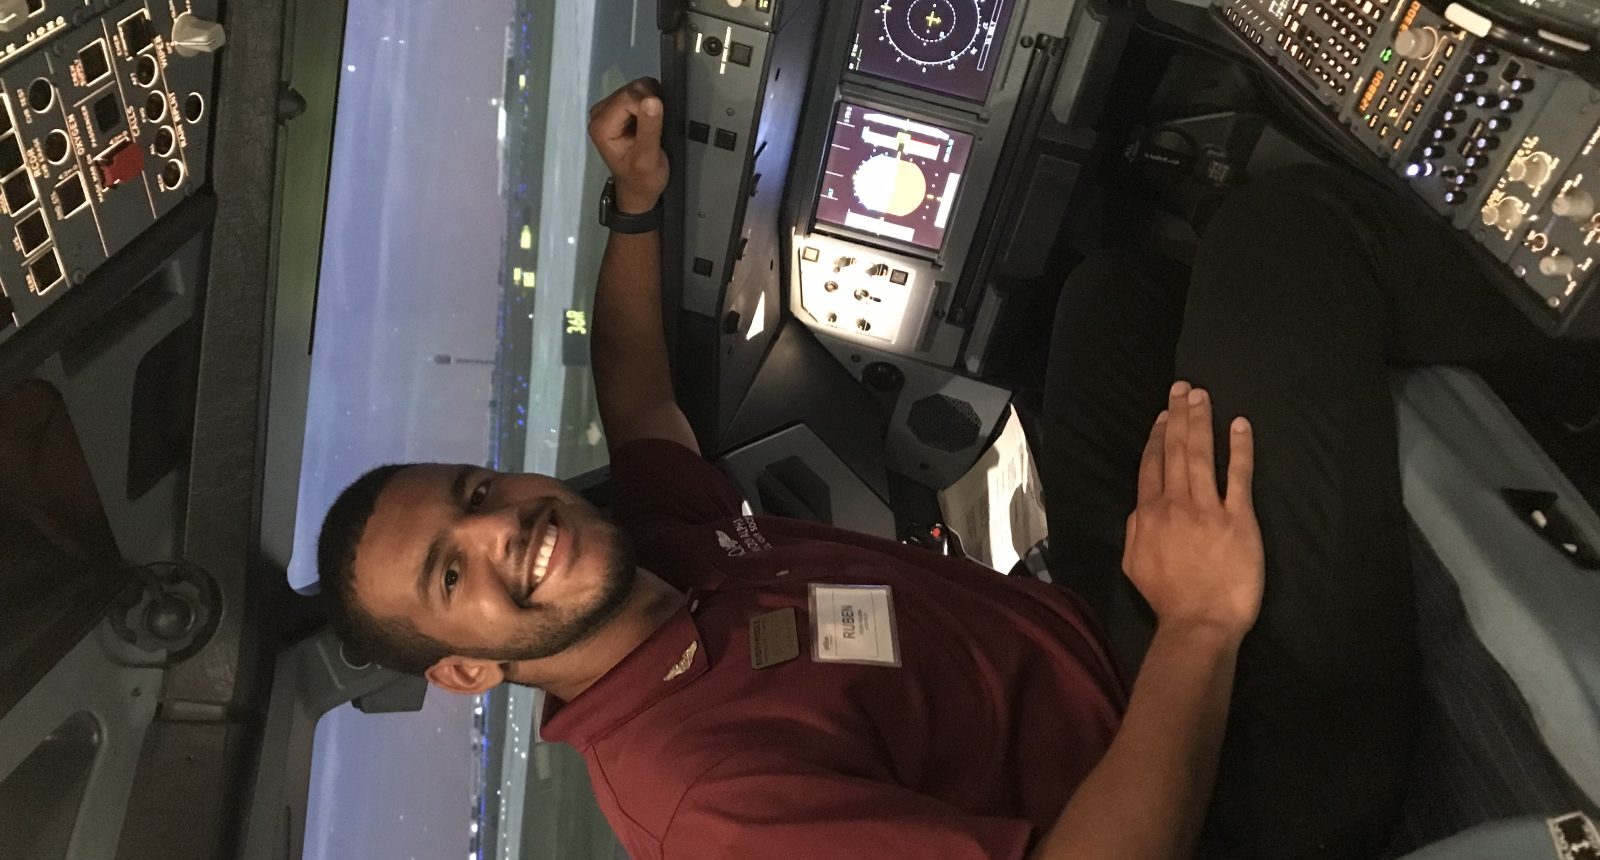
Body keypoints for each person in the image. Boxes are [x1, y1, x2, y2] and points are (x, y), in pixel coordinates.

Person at [315, 79, 1546, 858]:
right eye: (452, 572)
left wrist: (635, 199)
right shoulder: (701, 796)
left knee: (1110, 302)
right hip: (1230, 784)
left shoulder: (664, 556)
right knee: (1286, 241)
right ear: (468, 668)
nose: (502, 529)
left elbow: (638, 392)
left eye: (476, 491)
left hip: (1093, 647)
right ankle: (1563, 323)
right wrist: (1201, 625)